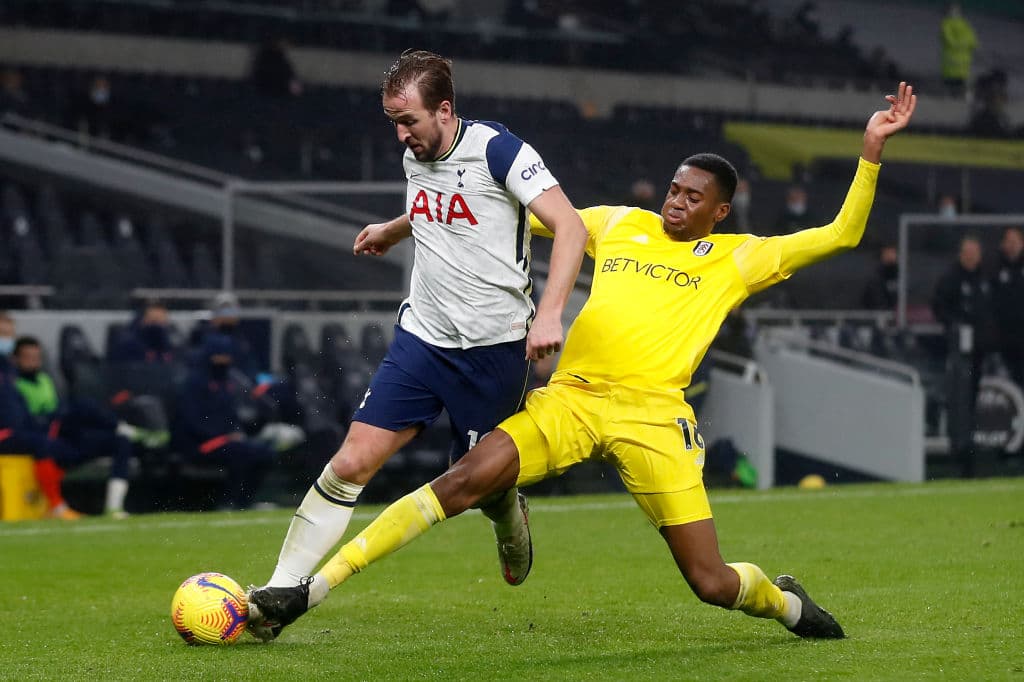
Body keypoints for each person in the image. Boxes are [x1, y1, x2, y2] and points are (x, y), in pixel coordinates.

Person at [248, 84, 917, 641]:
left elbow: (842, 234)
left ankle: (785, 603)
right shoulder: (621, 222)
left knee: (711, 583)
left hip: (653, 420)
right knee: (464, 480)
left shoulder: (739, 257)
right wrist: (400, 225)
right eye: (674, 189)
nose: (675, 202)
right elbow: (503, 205)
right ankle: (310, 591)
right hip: (571, 401)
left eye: (691, 197)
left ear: (720, 209)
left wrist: (871, 153)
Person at [246, 49, 589, 638]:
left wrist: (551, 314)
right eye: (393, 123)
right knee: (351, 461)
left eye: (409, 122)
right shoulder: (417, 154)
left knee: (480, 481)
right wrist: (394, 227)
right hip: (423, 339)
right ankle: (279, 594)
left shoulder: (499, 151)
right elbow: (436, 205)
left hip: (493, 348)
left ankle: (508, 512)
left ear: (445, 110)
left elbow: (572, 225)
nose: (401, 136)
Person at [12, 336, 141, 518]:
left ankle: (114, 507)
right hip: (45, 436)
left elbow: (55, 406)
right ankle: (120, 426)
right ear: (16, 359)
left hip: (65, 437)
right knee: (82, 406)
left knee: (121, 442)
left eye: (36, 357)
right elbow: (24, 419)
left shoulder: (44, 380)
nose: (34, 361)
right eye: (28, 357)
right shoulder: (14, 385)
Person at [172, 335, 276, 510]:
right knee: (239, 454)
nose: (224, 360)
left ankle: (244, 501)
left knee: (265, 452)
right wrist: (222, 435)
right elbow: (190, 421)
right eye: (219, 356)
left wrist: (242, 429)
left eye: (227, 356)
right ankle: (228, 501)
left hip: (227, 439)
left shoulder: (227, 383)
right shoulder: (194, 383)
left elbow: (232, 416)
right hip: (200, 442)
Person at [932, 235, 992, 477]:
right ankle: (960, 451)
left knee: (973, 402)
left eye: (974, 252)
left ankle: (971, 449)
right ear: (961, 253)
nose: (971, 256)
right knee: (959, 401)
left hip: (981, 351)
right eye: (967, 252)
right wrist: (955, 325)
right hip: (958, 352)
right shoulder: (950, 279)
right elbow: (939, 307)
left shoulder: (985, 278)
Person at [990, 227, 1024, 390]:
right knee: (1008, 386)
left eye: (1015, 241)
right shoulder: (993, 268)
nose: (1011, 245)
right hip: (1003, 339)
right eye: (1008, 242)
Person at [940, 3, 977, 100]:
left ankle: (963, 95)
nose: (954, 13)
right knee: (950, 79)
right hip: (951, 58)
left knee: (963, 78)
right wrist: (962, 44)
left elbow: (971, 36)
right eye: (952, 10)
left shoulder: (964, 23)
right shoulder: (946, 24)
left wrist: (972, 44)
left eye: (956, 10)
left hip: (963, 60)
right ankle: (950, 95)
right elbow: (948, 38)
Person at [861, 244, 899, 310]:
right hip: (876, 312)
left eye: (893, 253)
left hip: (894, 311)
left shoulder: (899, 272)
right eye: (888, 253)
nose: (891, 256)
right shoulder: (875, 275)